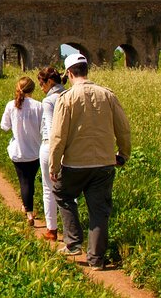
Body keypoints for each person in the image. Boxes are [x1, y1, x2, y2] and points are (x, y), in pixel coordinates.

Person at [49, 54, 131, 271]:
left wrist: (54, 166)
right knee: (99, 210)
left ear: (69, 73)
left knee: (63, 194)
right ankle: (97, 260)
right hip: (104, 163)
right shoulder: (107, 95)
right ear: (86, 70)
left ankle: (73, 243)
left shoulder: (66, 99)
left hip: (75, 164)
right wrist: (123, 153)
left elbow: (58, 137)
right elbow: (123, 128)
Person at [1, 76, 43, 226]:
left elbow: (4, 127)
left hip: (18, 151)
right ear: (32, 89)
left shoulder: (11, 105)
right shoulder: (39, 106)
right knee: (30, 181)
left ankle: (29, 213)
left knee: (24, 181)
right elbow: (43, 128)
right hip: (36, 151)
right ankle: (28, 208)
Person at [37, 67, 67, 241]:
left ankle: (52, 230)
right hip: (69, 148)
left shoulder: (48, 101)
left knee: (49, 189)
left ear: (49, 82)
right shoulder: (69, 95)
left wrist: (54, 157)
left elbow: (51, 129)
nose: (41, 88)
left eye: (42, 84)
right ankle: (72, 228)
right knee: (69, 190)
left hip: (51, 147)